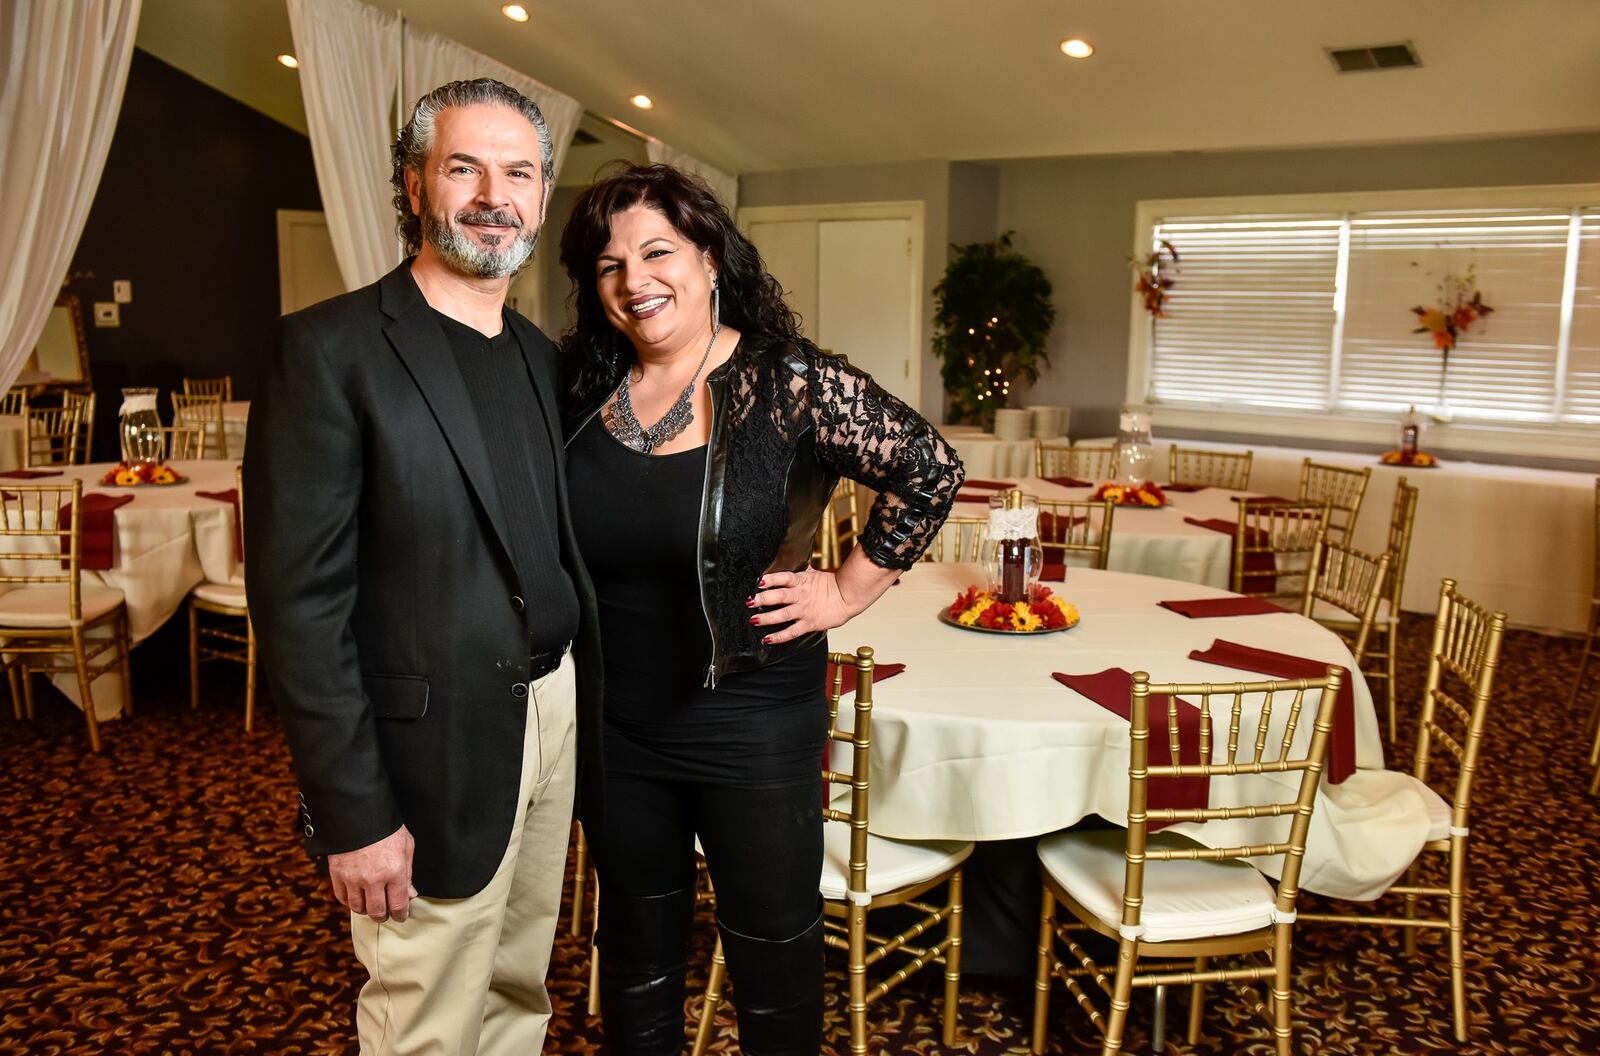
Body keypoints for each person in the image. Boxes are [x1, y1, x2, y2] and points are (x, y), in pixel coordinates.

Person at [559, 164, 964, 1056]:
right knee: (634, 953)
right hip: (614, 722)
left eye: (658, 251)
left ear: (709, 259)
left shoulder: (789, 382)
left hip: (751, 716)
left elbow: (930, 467)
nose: (636, 280)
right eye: (610, 265)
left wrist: (848, 588)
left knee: (772, 955)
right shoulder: (580, 389)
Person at [244, 79, 601, 1056]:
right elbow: (299, 607)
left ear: (538, 194)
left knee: (519, 984)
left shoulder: (537, 354)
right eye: (465, 167)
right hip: (429, 742)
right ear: (415, 185)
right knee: (427, 1016)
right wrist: (353, 816)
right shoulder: (329, 351)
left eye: (518, 172)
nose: (495, 193)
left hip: (550, 715)